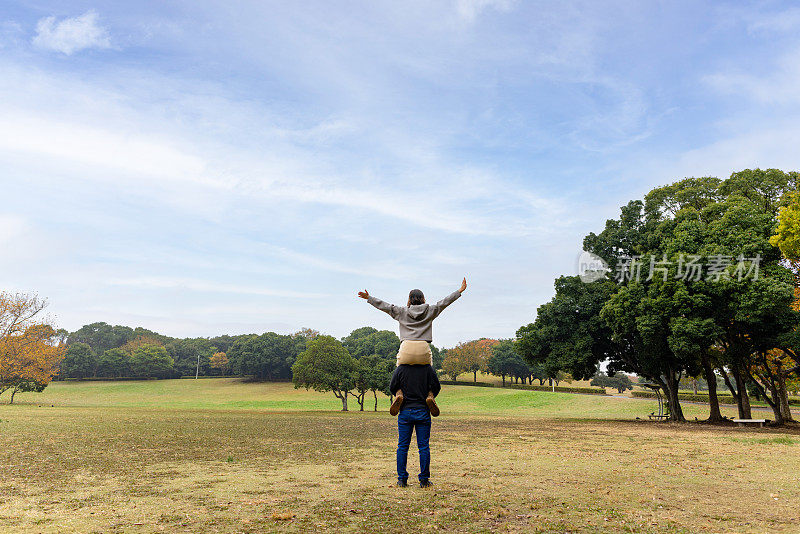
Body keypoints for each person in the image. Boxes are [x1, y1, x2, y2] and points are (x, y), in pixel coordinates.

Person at [357, 277, 467, 416]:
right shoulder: (430, 310)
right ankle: (430, 396)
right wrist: (459, 290)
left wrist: (369, 298)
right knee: (429, 371)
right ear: (423, 299)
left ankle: (398, 394)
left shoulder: (401, 311)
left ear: (409, 299)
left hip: (406, 348)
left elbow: (384, 306)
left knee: (399, 371)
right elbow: (445, 302)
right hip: (423, 348)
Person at [389, 361, 440, 487]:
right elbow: (437, 386)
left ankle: (402, 479)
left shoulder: (401, 368)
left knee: (402, 446)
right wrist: (430, 393)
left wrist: (398, 391)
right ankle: (424, 480)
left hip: (405, 411)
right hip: (423, 410)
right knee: (423, 447)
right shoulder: (427, 368)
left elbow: (392, 386)